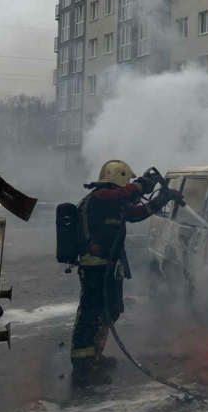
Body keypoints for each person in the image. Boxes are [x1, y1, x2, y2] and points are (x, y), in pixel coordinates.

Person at [71, 160, 178, 386]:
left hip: (110, 265)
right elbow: (122, 195)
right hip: (94, 267)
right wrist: (143, 183)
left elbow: (137, 213)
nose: (128, 184)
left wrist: (162, 199)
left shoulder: (113, 202)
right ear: (119, 177)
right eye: (127, 179)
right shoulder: (100, 197)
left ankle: (95, 354)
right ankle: (82, 367)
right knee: (90, 313)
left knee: (111, 309)